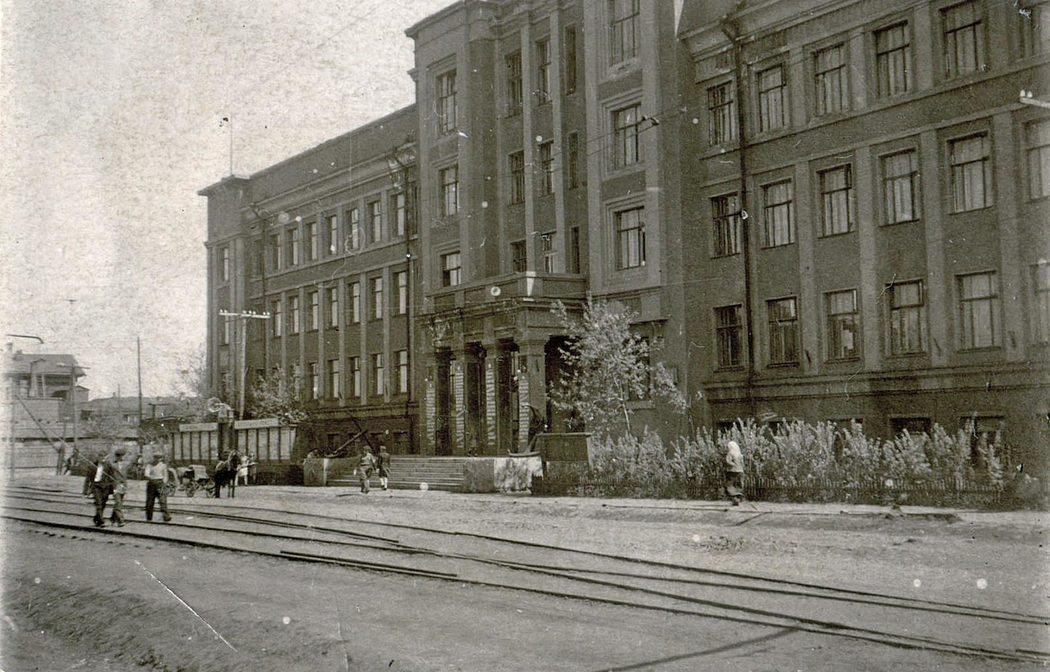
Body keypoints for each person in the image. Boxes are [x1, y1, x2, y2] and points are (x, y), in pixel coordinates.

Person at [90, 449, 116, 527]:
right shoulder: (93, 465)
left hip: (105, 487)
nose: (101, 458)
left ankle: (97, 517)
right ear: (98, 457)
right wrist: (86, 489)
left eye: (103, 457)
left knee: (103, 503)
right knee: (99, 503)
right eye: (100, 456)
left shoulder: (108, 465)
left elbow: (112, 477)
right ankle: (101, 520)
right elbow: (88, 478)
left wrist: (113, 487)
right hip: (96, 486)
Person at [144, 452, 172, 522]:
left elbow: (165, 475)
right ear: (154, 458)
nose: (158, 459)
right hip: (151, 484)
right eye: (156, 457)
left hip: (160, 483)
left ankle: (166, 517)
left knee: (163, 501)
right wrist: (152, 479)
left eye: (159, 458)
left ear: (161, 458)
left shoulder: (163, 466)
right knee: (150, 502)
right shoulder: (149, 465)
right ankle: (149, 518)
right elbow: (146, 474)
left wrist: (164, 483)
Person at [108, 449, 128, 527]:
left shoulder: (125, 465)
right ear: (116, 456)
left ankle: (113, 519)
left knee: (119, 503)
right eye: (119, 456)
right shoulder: (112, 465)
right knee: (118, 503)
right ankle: (121, 520)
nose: (121, 457)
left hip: (123, 486)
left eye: (122, 456)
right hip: (115, 486)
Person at [724, 440, 745, 506]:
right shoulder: (739, 453)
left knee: (730, 484)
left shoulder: (730, 453)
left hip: (732, 471)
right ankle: (738, 497)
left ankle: (734, 498)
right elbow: (742, 463)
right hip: (740, 471)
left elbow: (728, 461)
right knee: (738, 484)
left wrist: (733, 464)